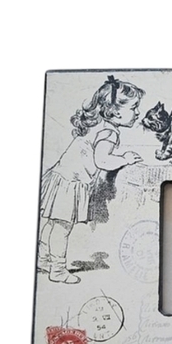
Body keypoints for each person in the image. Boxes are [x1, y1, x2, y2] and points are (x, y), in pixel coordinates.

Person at [39, 76, 145, 283]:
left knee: (53, 223)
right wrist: (125, 159)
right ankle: (57, 269)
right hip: (71, 183)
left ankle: (44, 258)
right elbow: (102, 160)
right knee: (62, 227)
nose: (138, 112)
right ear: (115, 111)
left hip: (60, 177)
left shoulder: (97, 125)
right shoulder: (110, 132)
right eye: (134, 107)